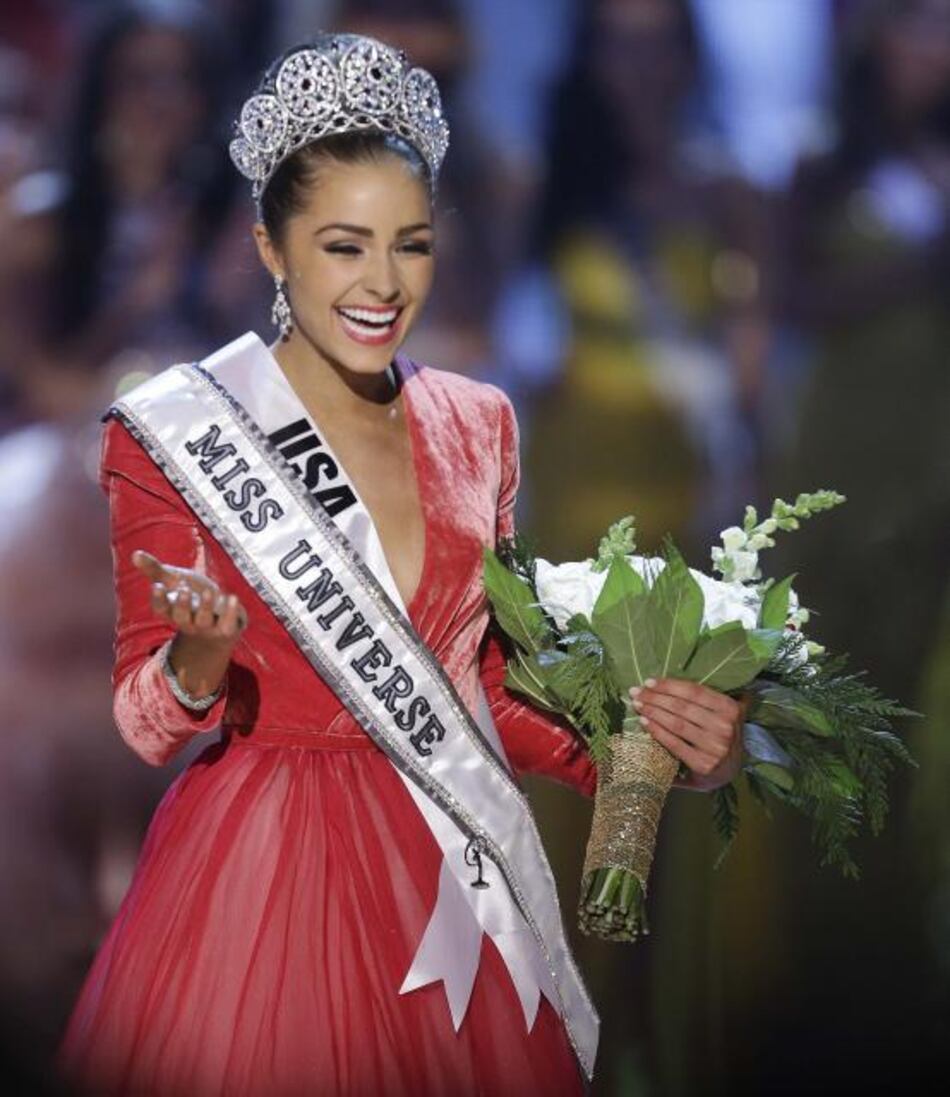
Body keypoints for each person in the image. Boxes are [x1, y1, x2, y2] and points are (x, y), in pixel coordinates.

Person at [57, 32, 745, 1097]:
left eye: (409, 244)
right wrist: (195, 664)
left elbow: (490, 689)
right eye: (343, 246)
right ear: (270, 249)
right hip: (256, 875)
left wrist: (655, 743)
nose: (383, 283)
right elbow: (145, 722)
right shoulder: (179, 431)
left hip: (445, 864)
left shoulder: (479, 422)